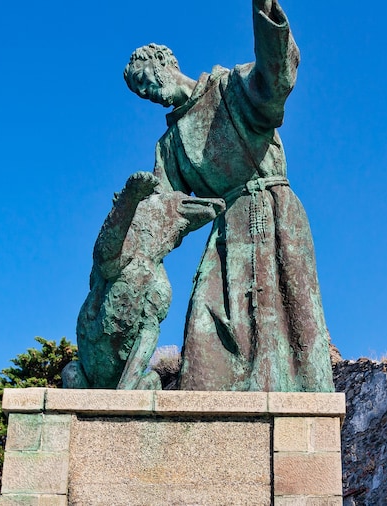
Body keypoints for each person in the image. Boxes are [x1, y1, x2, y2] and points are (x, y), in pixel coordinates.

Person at [123, 0, 334, 392]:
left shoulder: (227, 88)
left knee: (293, 331)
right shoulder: (168, 147)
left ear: (164, 63)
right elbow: (161, 212)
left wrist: (265, 13)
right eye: (141, 92)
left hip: (274, 215)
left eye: (146, 80)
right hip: (225, 236)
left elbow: (274, 84)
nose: (148, 93)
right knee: (204, 335)